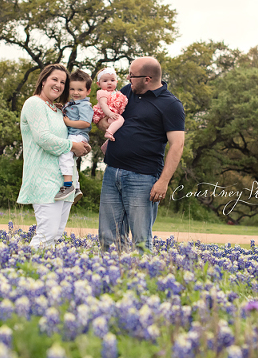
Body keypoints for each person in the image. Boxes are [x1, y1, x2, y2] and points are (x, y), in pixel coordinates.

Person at [97, 57, 185, 252]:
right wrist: (104, 124)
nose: (128, 78)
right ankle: (110, 279)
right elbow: (106, 117)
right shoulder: (127, 91)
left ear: (147, 78)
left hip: (143, 177)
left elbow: (177, 145)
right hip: (112, 172)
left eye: (132, 76)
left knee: (141, 241)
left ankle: (140, 277)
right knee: (107, 238)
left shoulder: (171, 105)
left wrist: (163, 182)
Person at [17, 64, 92, 248]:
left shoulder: (58, 110)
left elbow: (71, 135)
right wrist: (72, 145)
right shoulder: (34, 103)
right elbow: (43, 138)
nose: (58, 84)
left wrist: (81, 146)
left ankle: (44, 274)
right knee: (46, 234)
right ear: (43, 81)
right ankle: (25, 271)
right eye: (54, 79)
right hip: (44, 178)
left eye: (62, 82)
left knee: (55, 235)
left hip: (65, 182)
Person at [54, 69, 94, 202]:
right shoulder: (71, 103)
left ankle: (67, 185)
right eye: (72, 89)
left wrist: (68, 122)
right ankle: (76, 187)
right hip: (73, 135)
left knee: (65, 153)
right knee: (71, 161)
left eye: (80, 90)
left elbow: (85, 123)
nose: (75, 93)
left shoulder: (85, 105)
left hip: (78, 135)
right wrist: (61, 108)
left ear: (88, 91)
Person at [92, 67, 128, 143]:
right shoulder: (102, 92)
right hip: (105, 114)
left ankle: (106, 144)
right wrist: (110, 113)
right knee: (120, 120)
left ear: (116, 81)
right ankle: (109, 132)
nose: (109, 83)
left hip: (110, 114)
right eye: (105, 81)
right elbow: (103, 104)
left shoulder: (116, 93)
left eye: (112, 80)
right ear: (98, 84)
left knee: (118, 128)